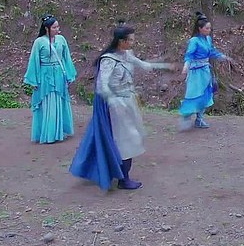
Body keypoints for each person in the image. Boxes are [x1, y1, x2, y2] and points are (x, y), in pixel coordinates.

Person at [69, 22, 176, 191]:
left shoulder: (126, 55)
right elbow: (102, 85)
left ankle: (122, 175)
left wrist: (163, 65)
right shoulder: (109, 60)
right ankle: (123, 178)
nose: (133, 42)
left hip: (128, 101)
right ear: (121, 41)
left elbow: (143, 64)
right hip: (117, 106)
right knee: (126, 140)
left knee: (134, 136)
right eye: (130, 40)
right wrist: (113, 100)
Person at [24, 14, 77, 144]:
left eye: (58, 27)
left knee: (59, 102)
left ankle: (59, 132)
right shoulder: (39, 42)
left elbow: (66, 58)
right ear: (46, 28)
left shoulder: (61, 40)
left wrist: (69, 74)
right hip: (45, 76)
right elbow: (34, 61)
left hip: (59, 75)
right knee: (48, 103)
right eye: (54, 27)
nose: (57, 29)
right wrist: (34, 80)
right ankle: (49, 134)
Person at [179, 12, 232, 130]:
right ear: (200, 28)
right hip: (195, 73)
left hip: (205, 71)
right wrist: (186, 66)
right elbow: (189, 55)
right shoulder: (194, 41)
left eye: (210, 28)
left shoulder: (208, 39)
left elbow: (211, 51)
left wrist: (222, 56)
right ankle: (186, 116)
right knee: (193, 94)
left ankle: (199, 119)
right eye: (207, 28)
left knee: (205, 95)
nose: (209, 30)